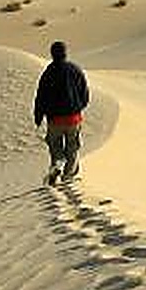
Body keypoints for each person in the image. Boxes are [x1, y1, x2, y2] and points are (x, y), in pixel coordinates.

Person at [34, 40, 89, 185]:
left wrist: (38, 116)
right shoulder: (75, 70)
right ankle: (68, 176)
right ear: (65, 53)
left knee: (55, 145)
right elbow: (84, 92)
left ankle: (57, 164)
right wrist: (79, 107)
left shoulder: (48, 72)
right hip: (73, 118)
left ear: (52, 54)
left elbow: (41, 96)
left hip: (54, 119)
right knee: (73, 147)